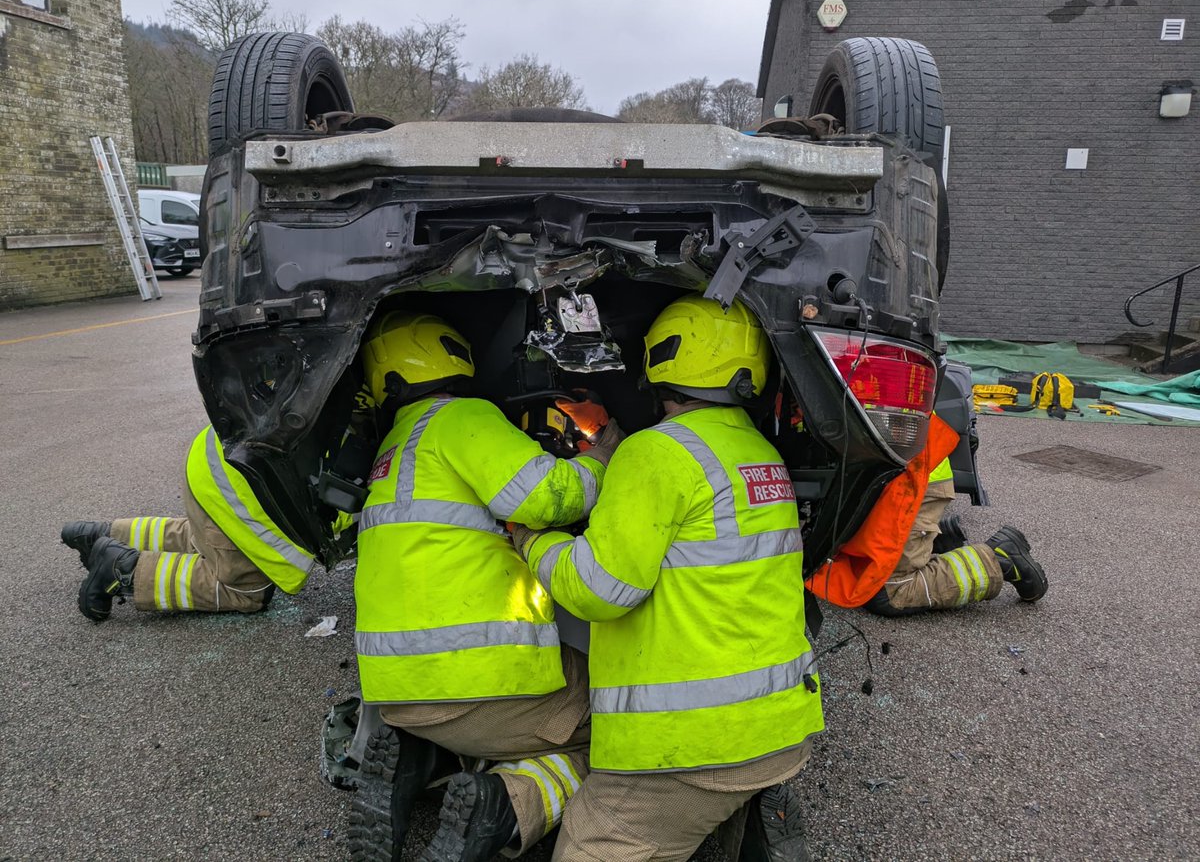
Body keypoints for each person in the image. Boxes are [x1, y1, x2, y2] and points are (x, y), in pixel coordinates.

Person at [498, 295, 823, 862]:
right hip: (777, 728)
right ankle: (746, 810)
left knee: (589, 846)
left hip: (696, 747)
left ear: (661, 364)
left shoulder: (656, 454)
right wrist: (611, 443)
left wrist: (532, 540)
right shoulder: (758, 452)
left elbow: (600, 589)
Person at [349, 310, 622, 862]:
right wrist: (603, 455)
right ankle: (506, 803)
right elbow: (552, 496)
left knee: (481, 722)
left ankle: (421, 758)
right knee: (627, 722)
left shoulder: (393, 450)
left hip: (397, 694)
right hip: (478, 684)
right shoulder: (462, 418)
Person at [63, 425, 316, 622]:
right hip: (244, 488)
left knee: (206, 536)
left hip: (214, 462)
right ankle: (121, 569)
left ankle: (104, 535)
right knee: (249, 589)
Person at [862, 458, 1048, 616]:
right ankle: (931, 541)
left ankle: (1000, 559)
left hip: (908, 479)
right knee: (853, 571)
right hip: (895, 477)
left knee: (890, 592)